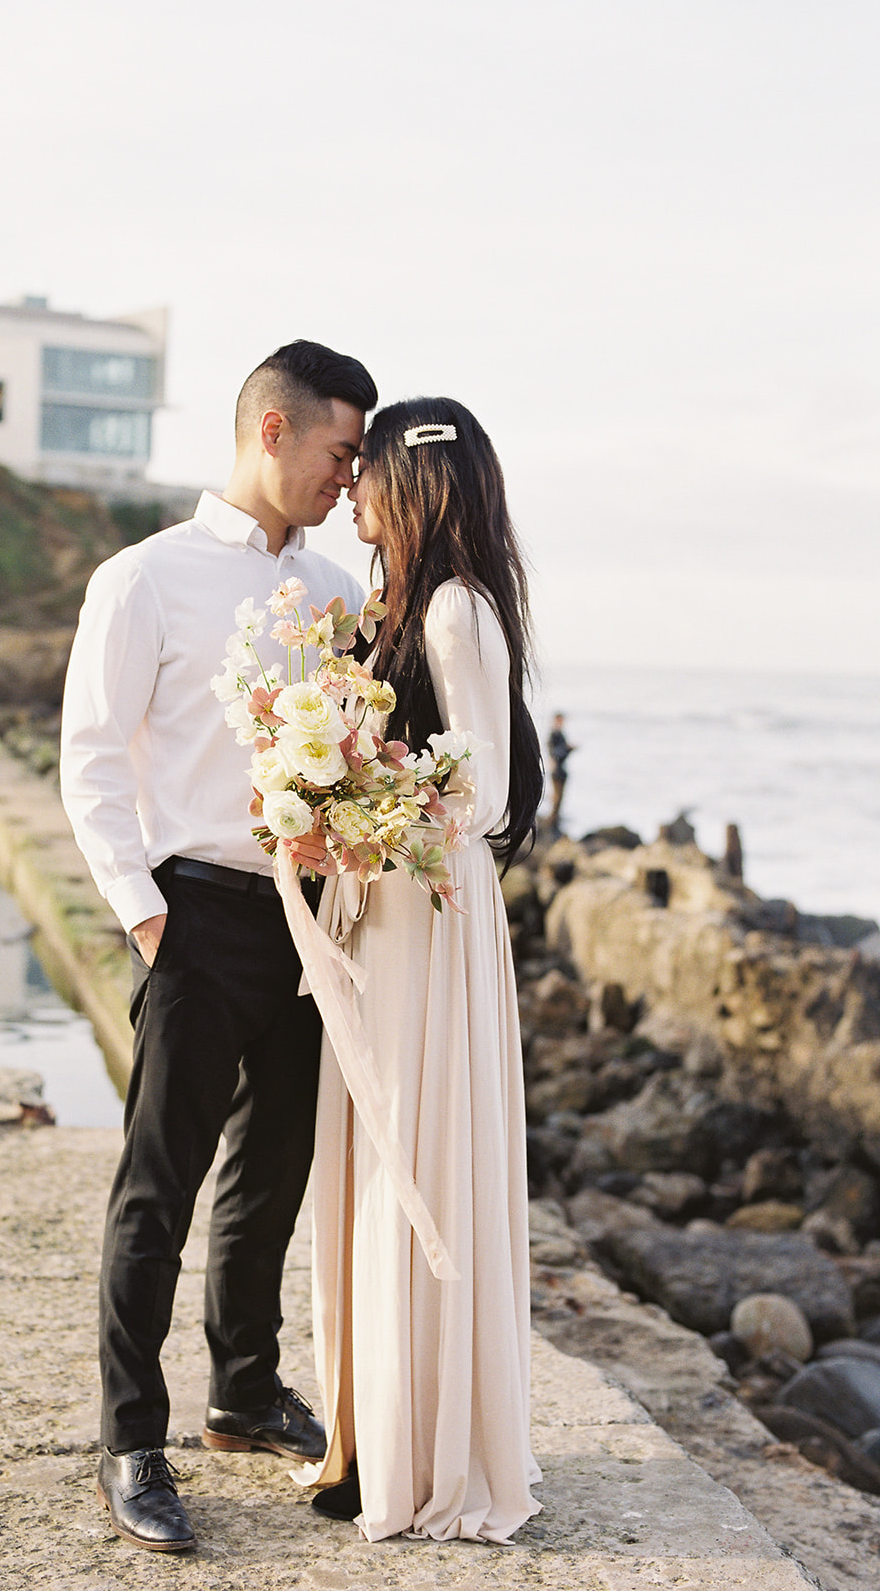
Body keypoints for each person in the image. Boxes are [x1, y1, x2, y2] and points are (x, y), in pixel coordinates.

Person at [59, 340, 377, 1552]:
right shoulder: (143, 578)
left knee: (271, 1174)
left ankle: (243, 1393)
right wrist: (148, 916)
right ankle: (129, 1437)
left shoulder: (339, 593)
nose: (349, 479)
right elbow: (91, 758)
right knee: (160, 1185)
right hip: (193, 911)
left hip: (309, 919)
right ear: (272, 430)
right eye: (340, 453)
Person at [287, 396, 545, 1542]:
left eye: (368, 469)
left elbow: (477, 793)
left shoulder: (453, 608)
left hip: (427, 913)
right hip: (388, 905)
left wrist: (352, 798)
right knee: (376, 1147)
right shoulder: (404, 606)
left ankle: (418, 1448)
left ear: (413, 485)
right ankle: (368, 1436)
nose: (351, 488)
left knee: (414, 1149)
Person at [546, 712, 574, 829]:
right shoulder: (554, 735)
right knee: (556, 797)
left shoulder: (560, 734)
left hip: (561, 769)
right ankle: (553, 821)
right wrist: (567, 749)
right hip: (557, 770)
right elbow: (555, 754)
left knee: (559, 797)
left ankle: (555, 819)